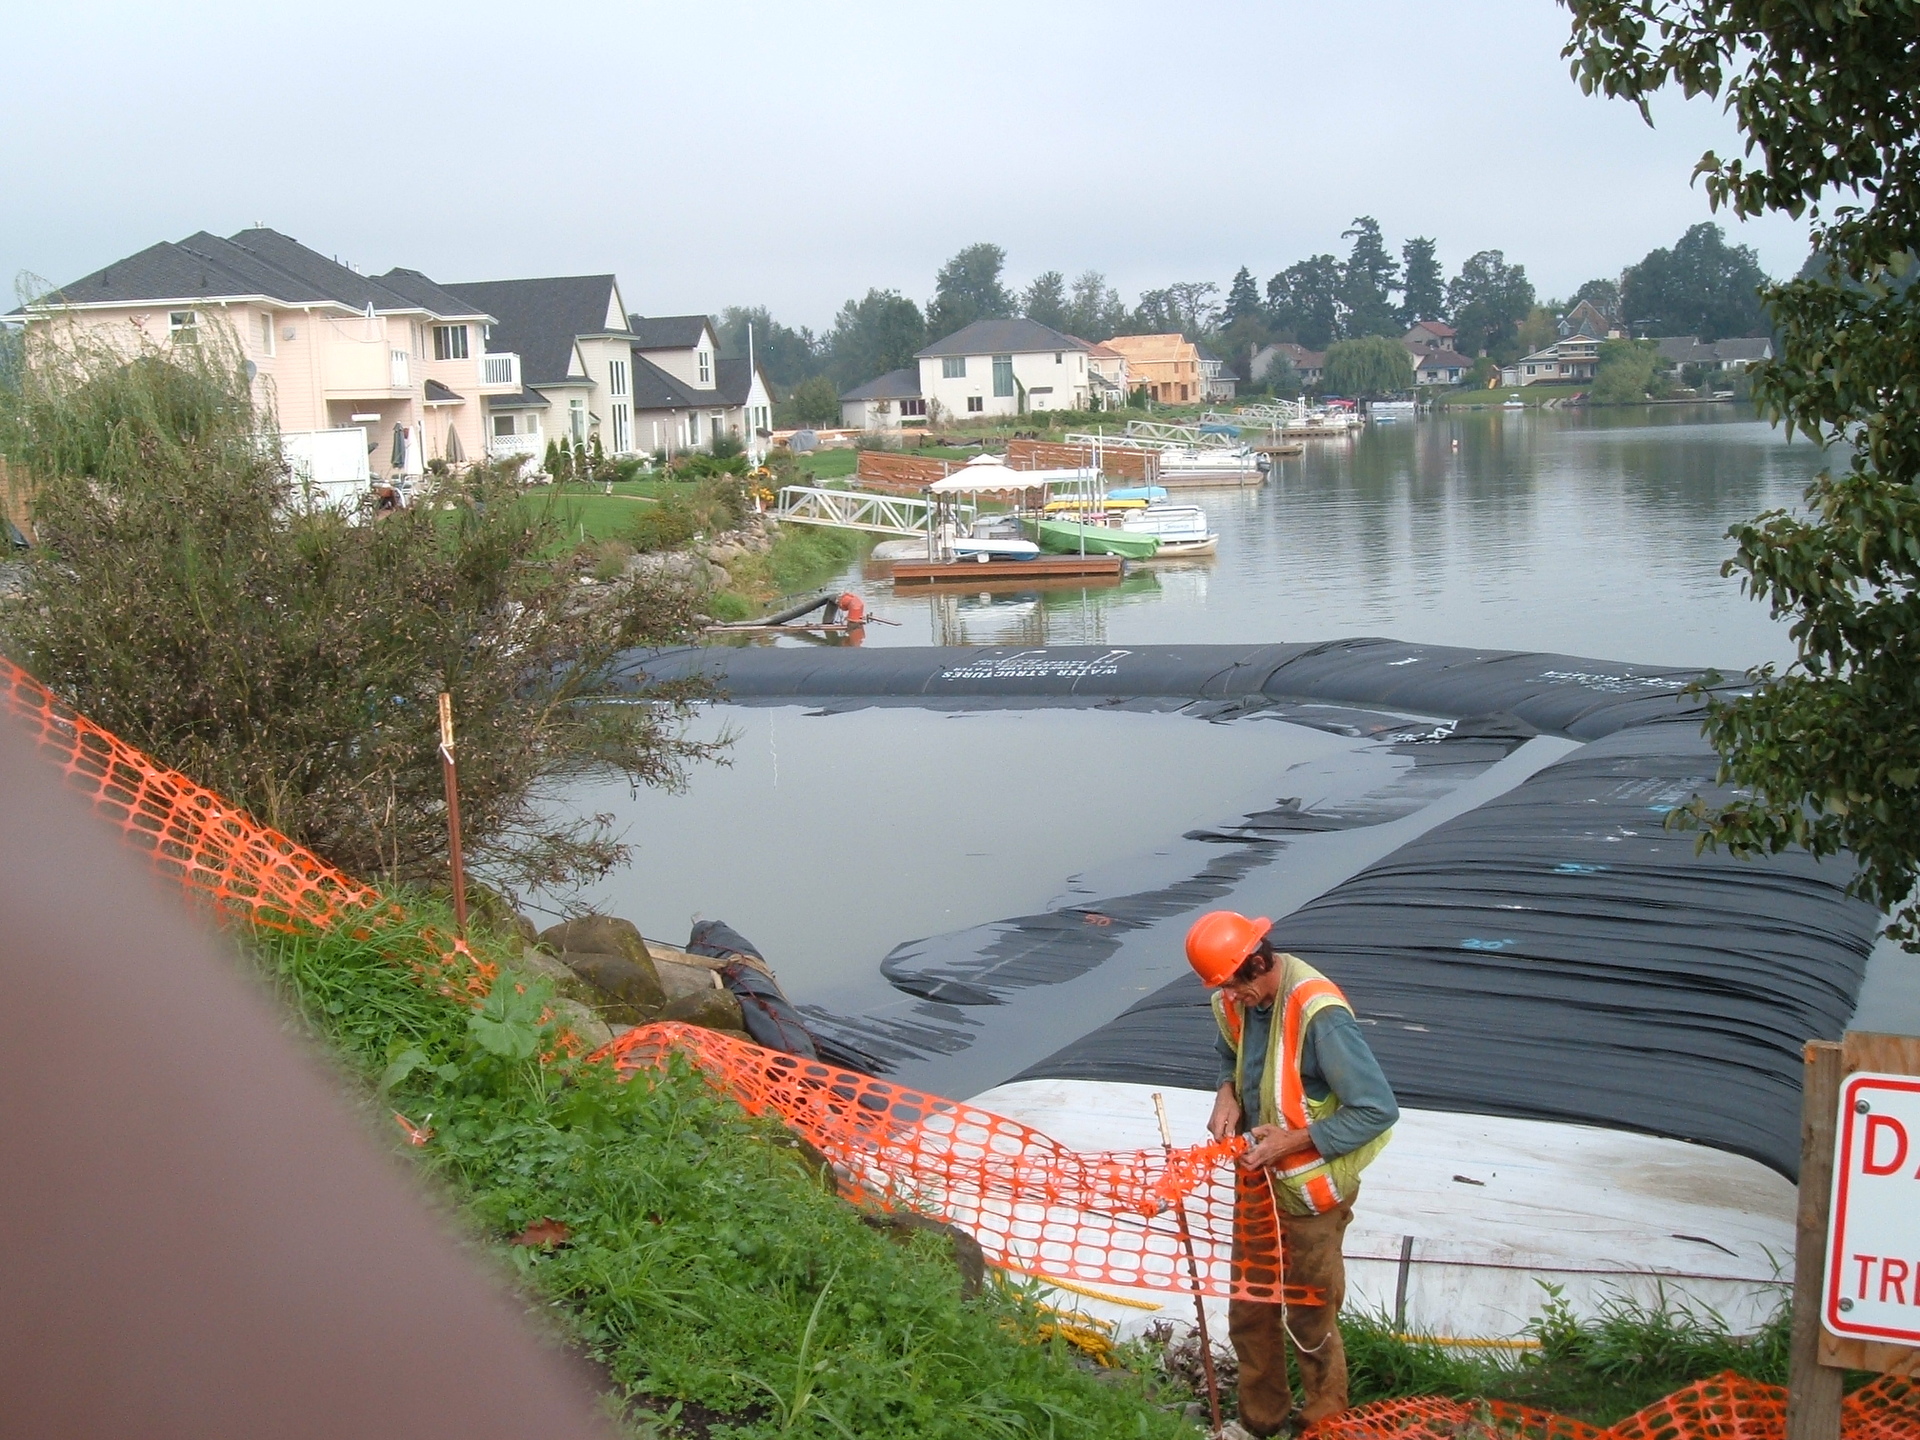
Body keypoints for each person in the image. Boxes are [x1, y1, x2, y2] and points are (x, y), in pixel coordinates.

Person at [1186, 909, 1398, 1436]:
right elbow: (1229, 1054)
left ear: (1258, 963)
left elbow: (1376, 1109)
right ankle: (1260, 1423)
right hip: (1258, 1186)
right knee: (1250, 1309)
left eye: (1236, 986)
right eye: (1222, 989)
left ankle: (1323, 1423)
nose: (1230, 998)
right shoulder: (1233, 1001)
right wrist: (1226, 1092)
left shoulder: (1319, 1012)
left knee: (1310, 1317)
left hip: (1311, 1196)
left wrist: (1293, 1141)